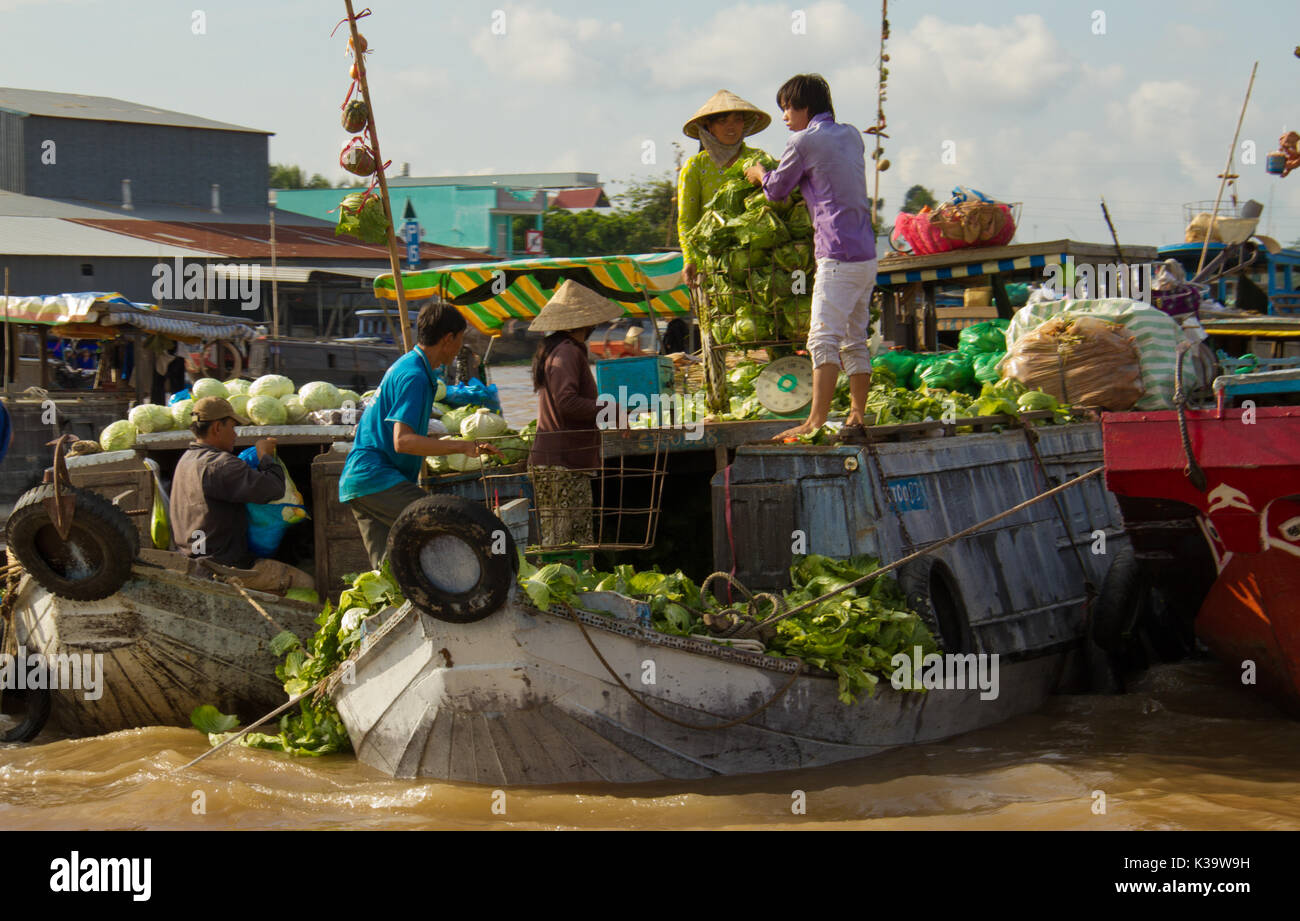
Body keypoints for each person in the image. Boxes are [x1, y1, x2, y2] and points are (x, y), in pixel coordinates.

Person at [743, 74, 876, 440]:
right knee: (854, 338)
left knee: (822, 338)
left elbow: (776, 190)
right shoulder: (851, 134)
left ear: (805, 108)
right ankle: (857, 416)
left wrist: (756, 172)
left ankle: (815, 421)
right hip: (866, 253)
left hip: (837, 253)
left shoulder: (802, 141)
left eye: (788, 108)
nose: (785, 116)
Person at [340, 302, 501, 568]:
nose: (461, 347)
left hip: (361, 481)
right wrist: (462, 447)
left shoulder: (411, 366)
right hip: (375, 478)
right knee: (448, 525)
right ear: (449, 338)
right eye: (460, 340)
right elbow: (403, 441)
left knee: (389, 573)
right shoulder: (414, 375)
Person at [169, 396, 311, 593]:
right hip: (222, 567)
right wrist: (266, 456)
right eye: (233, 428)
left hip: (193, 560)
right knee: (307, 585)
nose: (235, 435)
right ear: (217, 427)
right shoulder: (220, 464)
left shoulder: (187, 459)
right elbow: (273, 490)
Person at [528, 280, 621, 547]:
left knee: (574, 541)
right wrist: (611, 409)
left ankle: (577, 587)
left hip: (565, 463)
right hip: (560, 465)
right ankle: (565, 588)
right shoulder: (566, 352)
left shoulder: (562, 349)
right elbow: (566, 402)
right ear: (584, 324)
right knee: (563, 543)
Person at [677, 90, 772, 288]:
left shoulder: (759, 160)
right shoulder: (695, 166)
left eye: (737, 120)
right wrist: (689, 258)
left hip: (758, 265)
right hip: (713, 266)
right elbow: (687, 220)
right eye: (722, 121)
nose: (731, 127)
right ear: (708, 127)